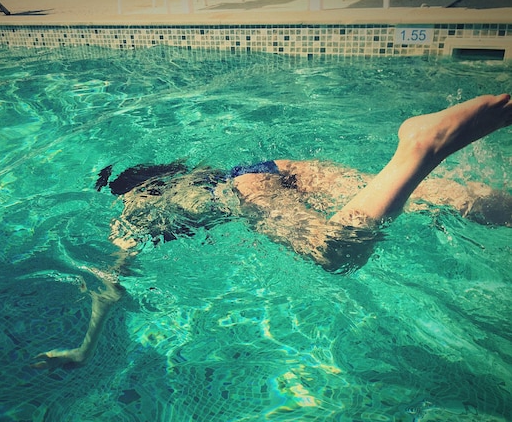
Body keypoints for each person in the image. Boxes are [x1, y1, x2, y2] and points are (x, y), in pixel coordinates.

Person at [33, 94, 512, 370]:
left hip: (243, 191)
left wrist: (84, 348)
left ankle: (421, 146)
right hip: (276, 169)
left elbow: (107, 288)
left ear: (127, 192)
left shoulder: (129, 214)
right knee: (453, 200)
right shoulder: (188, 177)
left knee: (334, 253)